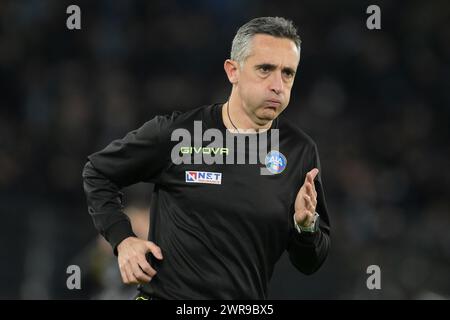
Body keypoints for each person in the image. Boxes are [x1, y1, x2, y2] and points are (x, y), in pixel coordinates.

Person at [82, 16, 331, 300]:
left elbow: (310, 262)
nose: (278, 84)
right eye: (265, 69)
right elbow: (98, 172)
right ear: (232, 71)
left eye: (288, 73)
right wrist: (123, 239)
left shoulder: (299, 151)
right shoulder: (178, 133)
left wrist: (305, 226)